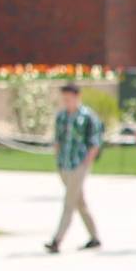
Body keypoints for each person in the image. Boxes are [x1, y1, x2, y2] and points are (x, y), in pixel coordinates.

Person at [46, 82, 105, 253]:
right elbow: (58, 140)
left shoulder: (87, 116)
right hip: (64, 164)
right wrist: (58, 160)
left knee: (69, 202)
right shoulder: (62, 117)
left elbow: (95, 142)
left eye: (69, 98)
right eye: (64, 99)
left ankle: (57, 239)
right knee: (80, 202)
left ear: (77, 97)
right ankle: (95, 237)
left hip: (79, 165)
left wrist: (86, 162)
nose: (66, 102)